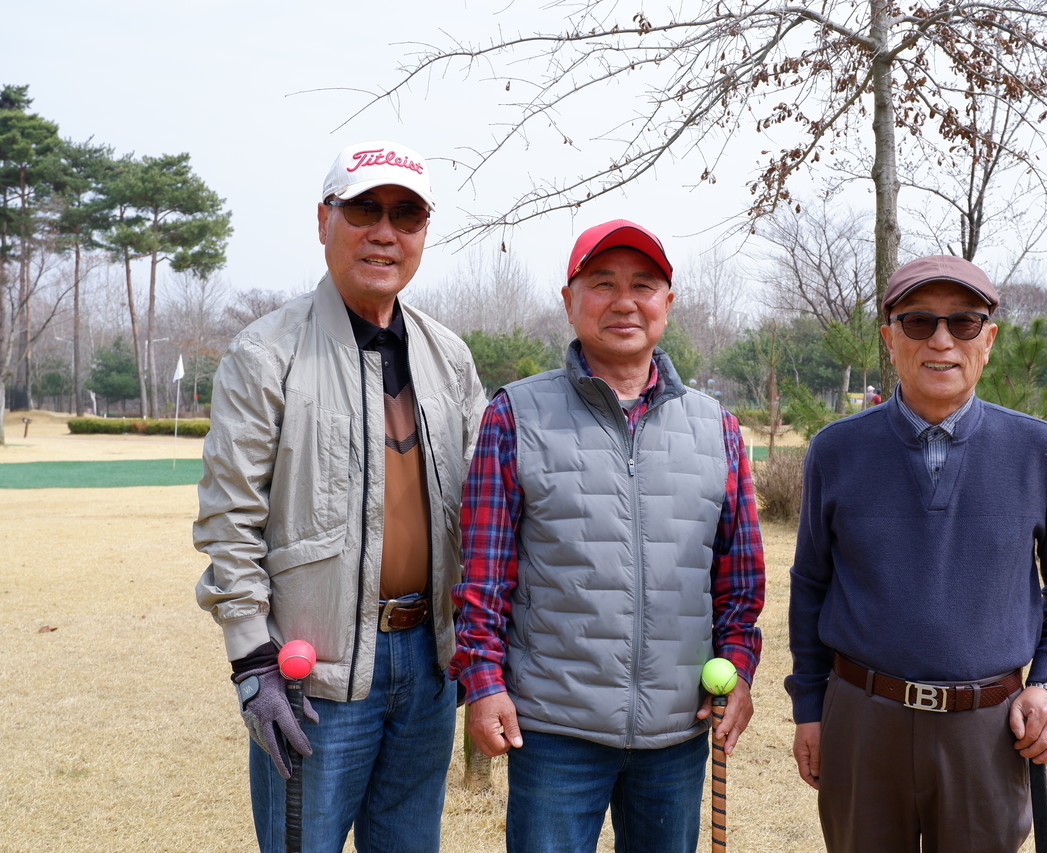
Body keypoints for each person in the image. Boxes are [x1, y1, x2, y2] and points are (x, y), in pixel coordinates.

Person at [194, 140, 486, 853]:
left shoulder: (449, 357)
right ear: (323, 220)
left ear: (423, 232)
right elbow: (230, 517)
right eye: (364, 210)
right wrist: (252, 660)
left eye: (406, 215)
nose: (385, 232)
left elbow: (486, 508)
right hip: (310, 677)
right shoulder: (266, 353)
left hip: (429, 667)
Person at [449, 220, 766, 853]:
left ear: (667, 304)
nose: (625, 302)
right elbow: (483, 574)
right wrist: (483, 681)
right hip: (553, 731)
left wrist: (739, 667)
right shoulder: (515, 415)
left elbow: (740, 581)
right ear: (569, 301)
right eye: (602, 284)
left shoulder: (718, 428)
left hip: (677, 732)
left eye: (643, 285)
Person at [786, 255, 1047, 852]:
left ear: (989, 340)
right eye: (918, 322)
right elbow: (811, 586)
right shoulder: (835, 451)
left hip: (989, 727)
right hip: (861, 719)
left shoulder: (1038, 449)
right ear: (889, 340)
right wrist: (809, 707)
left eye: (963, 322)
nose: (941, 340)